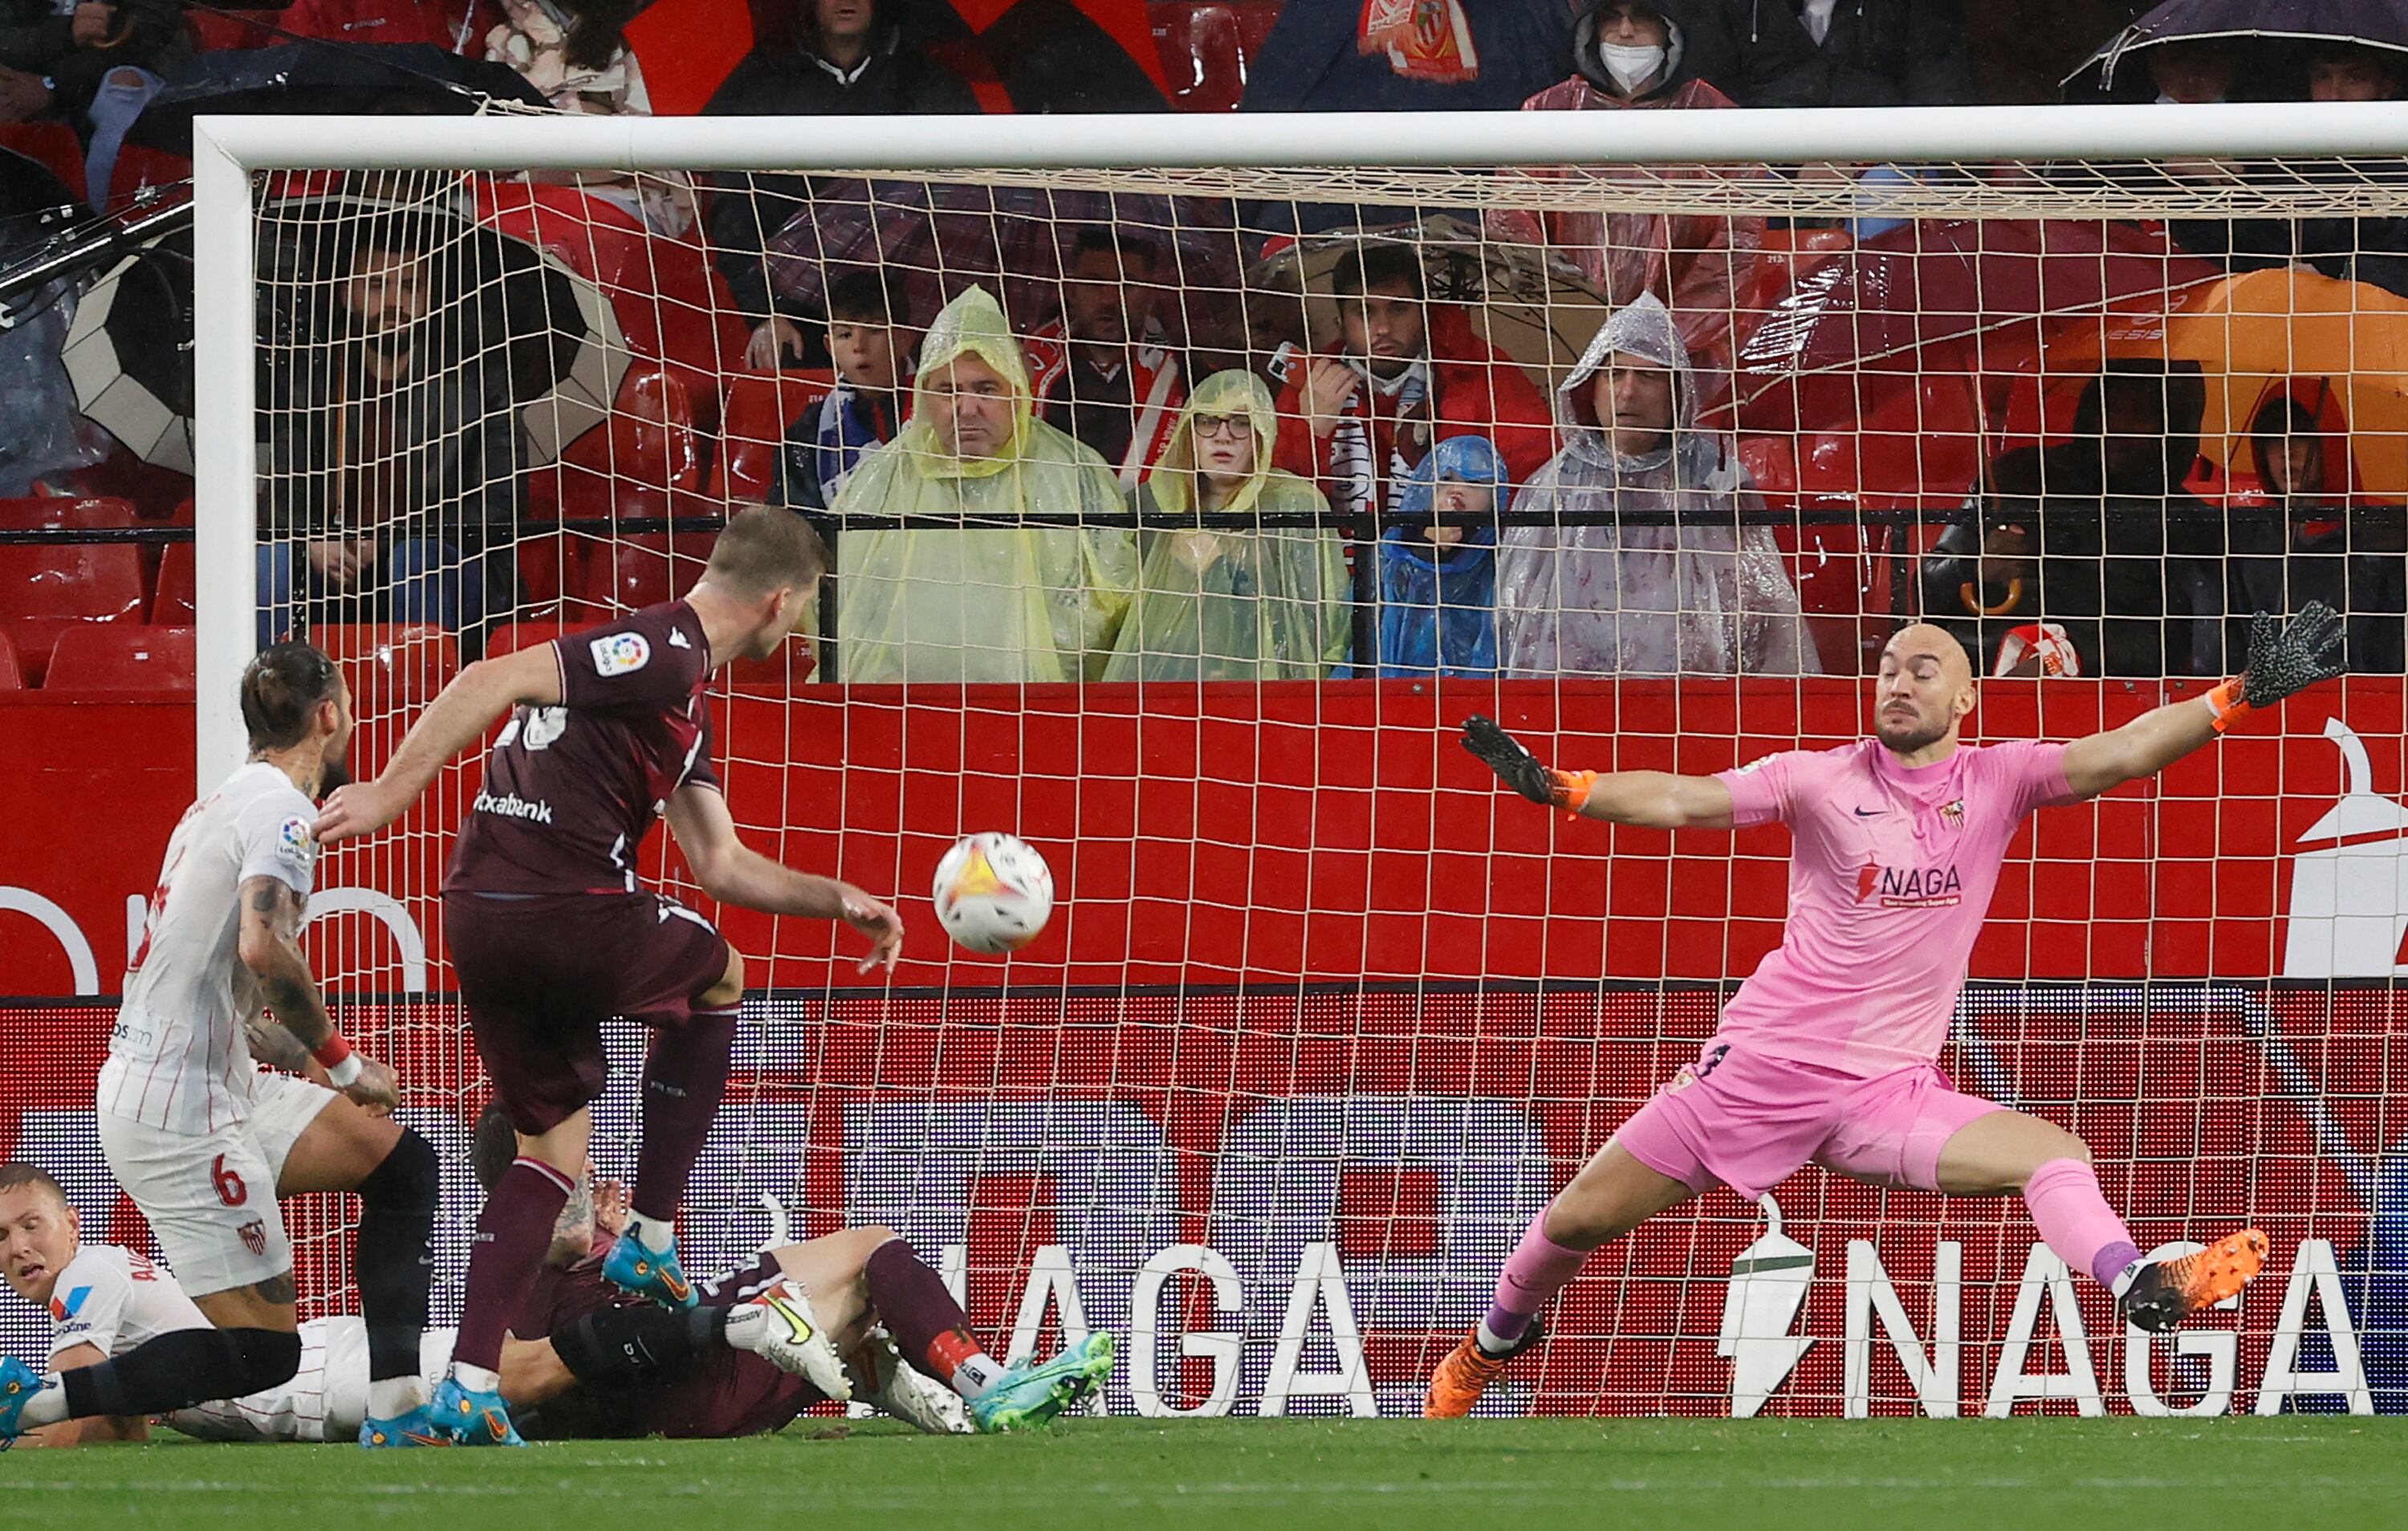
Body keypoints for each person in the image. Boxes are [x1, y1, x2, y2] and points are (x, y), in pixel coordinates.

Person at [1429, 608, 2350, 1415]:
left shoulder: (2001, 779)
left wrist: (2235, 697)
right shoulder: (1820, 780)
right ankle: (1493, 1345)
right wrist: (1568, 788)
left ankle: (2139, 1279)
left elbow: (2126, 747)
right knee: (1571, 1224)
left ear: (1965, 702)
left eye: (1924, 668)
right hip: (1759, 1069)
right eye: (1886, 667)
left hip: (1888, 1095)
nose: (1898, 681)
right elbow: (1686, 796)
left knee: (2054, 1153)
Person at [309, 508, 907, 1446]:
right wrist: (390, 793)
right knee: (722, 975)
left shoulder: (680, 696)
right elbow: (491, 673)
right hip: (561, 895)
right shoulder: (665, 647)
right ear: (781, 600)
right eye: (804, 610)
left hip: (480, 909)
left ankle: (466, 1387)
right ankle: (657, 1238)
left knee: (549, 1154)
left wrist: (839, 899)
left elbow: (721, 863)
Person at [0, 645, 441, 1448]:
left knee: (403, 1164)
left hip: (211, 1079)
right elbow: (264, 950)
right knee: (262, 1351)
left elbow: (231, 999)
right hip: (179, 1109)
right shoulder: (279, 813)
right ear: (331, 714)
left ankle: (400, 1407)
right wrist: (344, 1061)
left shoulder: (214, 807)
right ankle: (30, 1403)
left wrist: (308, 1061)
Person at [1493, 293, 1818, 678]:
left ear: (1676, 393)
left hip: (1692, 699)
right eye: (1614, 374)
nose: (1627, 392)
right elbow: (1516, 615)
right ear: (1590, 389)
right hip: (1575, 699)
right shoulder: (1553, 486)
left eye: (1648, 376)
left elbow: (1761, 613)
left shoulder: (1717, 483)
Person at [831, 284, 1137, 684]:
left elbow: (1109, 598)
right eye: (948, 391)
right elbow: (842, 603)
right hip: (901, 711)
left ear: (1017, 391)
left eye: (985, 389)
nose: (966, 408)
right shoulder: (882, 477)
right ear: (924, 396)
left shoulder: (1076, 472)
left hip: (1043, 711)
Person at [258, 233, 523, 650]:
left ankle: (429, 706)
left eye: (409, 287)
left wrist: (392, 538)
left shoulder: (477, 388)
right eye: (378, 286)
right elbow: (282, 494)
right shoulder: (313, 385)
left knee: (416, 561)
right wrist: (312, 540)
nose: (394, 302)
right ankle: (260, 706)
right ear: (348, 295)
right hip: (332, 564)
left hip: (438, 561)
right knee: (268, 565)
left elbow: (498, 506)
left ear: (429, 297)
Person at [1489, 2, 1767, 389]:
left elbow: (1735, 252)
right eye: (1610, 18)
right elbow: (1514, 228)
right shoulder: (1546, 113)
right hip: (1565, 354)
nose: (1624, 32)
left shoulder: (1719, 120)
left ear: (1673, 28)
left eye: (1643, 18)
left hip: (1677, 370)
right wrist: (1576, 323)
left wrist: (1657, 344)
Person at [702, 0, 981, 370]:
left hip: (916, 306)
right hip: (799, 311)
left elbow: (969, 207)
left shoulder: (929, 82)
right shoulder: (761, 88)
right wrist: (767, 313)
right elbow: (737, 214)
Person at [1918, 362, 2225, 678]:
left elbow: (2177, 642)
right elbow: (1923, 590)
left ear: (2173, 426)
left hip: (2104, 684)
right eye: (2108, 408)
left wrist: (2067, 651)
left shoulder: (2189, 521)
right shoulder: (2015, 477)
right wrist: (1974, 567)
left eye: (2140, 415)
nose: (2117, 426)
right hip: (1980, 665)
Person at [1273, 242, 1553, 535]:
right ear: (1340, 324)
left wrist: (1467, 527)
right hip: (1338, 568)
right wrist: (1313, 432)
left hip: (1460, 565)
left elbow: (1536, 484)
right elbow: (1278, 505)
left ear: (1423, 313)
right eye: (1365, 312)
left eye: (1398, 309)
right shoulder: (1311, 382)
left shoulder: (1480, 370)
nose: (1383, 328)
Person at [1102, 369, 1348, 681]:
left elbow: (1322, 623)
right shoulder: (1148, 505)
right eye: (1208, 421)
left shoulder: (1297, 504)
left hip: (1267, 692)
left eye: (1241, 422)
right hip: (1162, 690)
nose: (1223, 435)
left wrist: (1232, 562)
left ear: (1263, 432)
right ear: (1188, 433)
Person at [2227, 381, 2407, 674]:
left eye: (2302, 436)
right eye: (2273, 439)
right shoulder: (2244, 540)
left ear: (2329, 442)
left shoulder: (2375, 544)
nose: (2287, 452)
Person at [1022, 226, 1187, 494]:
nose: (1109, 299)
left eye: (1127, 284)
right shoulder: (1028, 370)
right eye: (1094, 282)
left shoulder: (1184, 373)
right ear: (1071, 291)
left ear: (1151, 293)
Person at [1353, 434, 1508, 678]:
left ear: (1495, 500)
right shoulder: (1391, 552)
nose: (1457, 490)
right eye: (1446, 478)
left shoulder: (1501, 561)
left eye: (1475, 483)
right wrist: (1427, 551)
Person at [773, 267, 917, 513]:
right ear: (829, 346)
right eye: (845, 334)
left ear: (905, 339)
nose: (858, 346)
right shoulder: (811, 430)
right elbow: (797, 519)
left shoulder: (934, 413)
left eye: (875, 331)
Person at [1747, 0, 1971, 106]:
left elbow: (1938, 94)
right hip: (1769, 166)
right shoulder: (1739, 7)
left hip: (1890, 161)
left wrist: (1854, 161)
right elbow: (1718, 99)